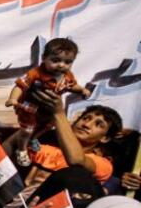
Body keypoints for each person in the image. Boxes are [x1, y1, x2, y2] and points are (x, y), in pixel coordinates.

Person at [5, 38, 92, 166]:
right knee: (27, 130)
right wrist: (13, 98)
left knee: (47, 126)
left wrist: (82, 90)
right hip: (29, 108)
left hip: (47, 110)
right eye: (56, 60)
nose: (61, 65)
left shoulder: (67, 76)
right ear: (44, 58)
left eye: (67, 62)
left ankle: (33, 139)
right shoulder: (35, 74)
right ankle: (22, 149)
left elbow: (71, 86)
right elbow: (19, 86)